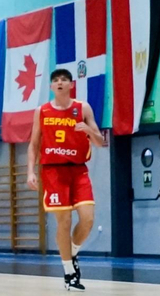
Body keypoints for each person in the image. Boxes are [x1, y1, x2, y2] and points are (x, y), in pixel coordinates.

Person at [26, 67, 106, 291]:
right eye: (55, 80)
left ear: (71, 85)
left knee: (88, 219)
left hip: (78, 170)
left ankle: (72, 251)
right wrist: (30, 172)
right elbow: (33, 145)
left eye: (64, 80)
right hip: (53, 171)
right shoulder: (41, 111)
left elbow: (100, 141)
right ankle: (69, 271)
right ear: (51, 86)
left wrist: (89, 132)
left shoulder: (83, 108)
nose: (60, 83)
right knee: (64, 221)